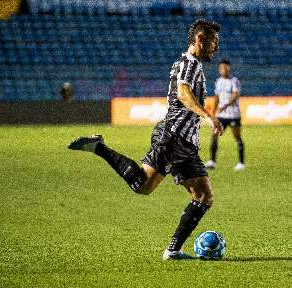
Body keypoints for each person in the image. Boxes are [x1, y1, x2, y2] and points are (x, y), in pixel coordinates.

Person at [68, 19, 223, 260]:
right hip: (174, 138)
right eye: (213, 41)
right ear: (200, 39)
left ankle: (172, 250)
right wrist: (207, 116)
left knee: (186, 193)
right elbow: (183, 93)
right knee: (159, 188)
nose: (216, 47)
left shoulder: (190, 64)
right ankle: (99, 148)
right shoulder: (189, 64)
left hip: (181, 141)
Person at [204, 59, 245, 171]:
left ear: (229, 69)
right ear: (219, 69)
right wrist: (213, 113)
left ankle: (241, 163)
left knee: (237, 137)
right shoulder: (218, 81)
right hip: (222, 115)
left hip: (233, 115)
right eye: (221, 68)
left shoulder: (234, 81)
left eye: (225, 68)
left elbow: (235, 95)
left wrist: (225, 105)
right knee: (214, 135)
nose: (224, 70)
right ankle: (212, 161)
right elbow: (216, 97)